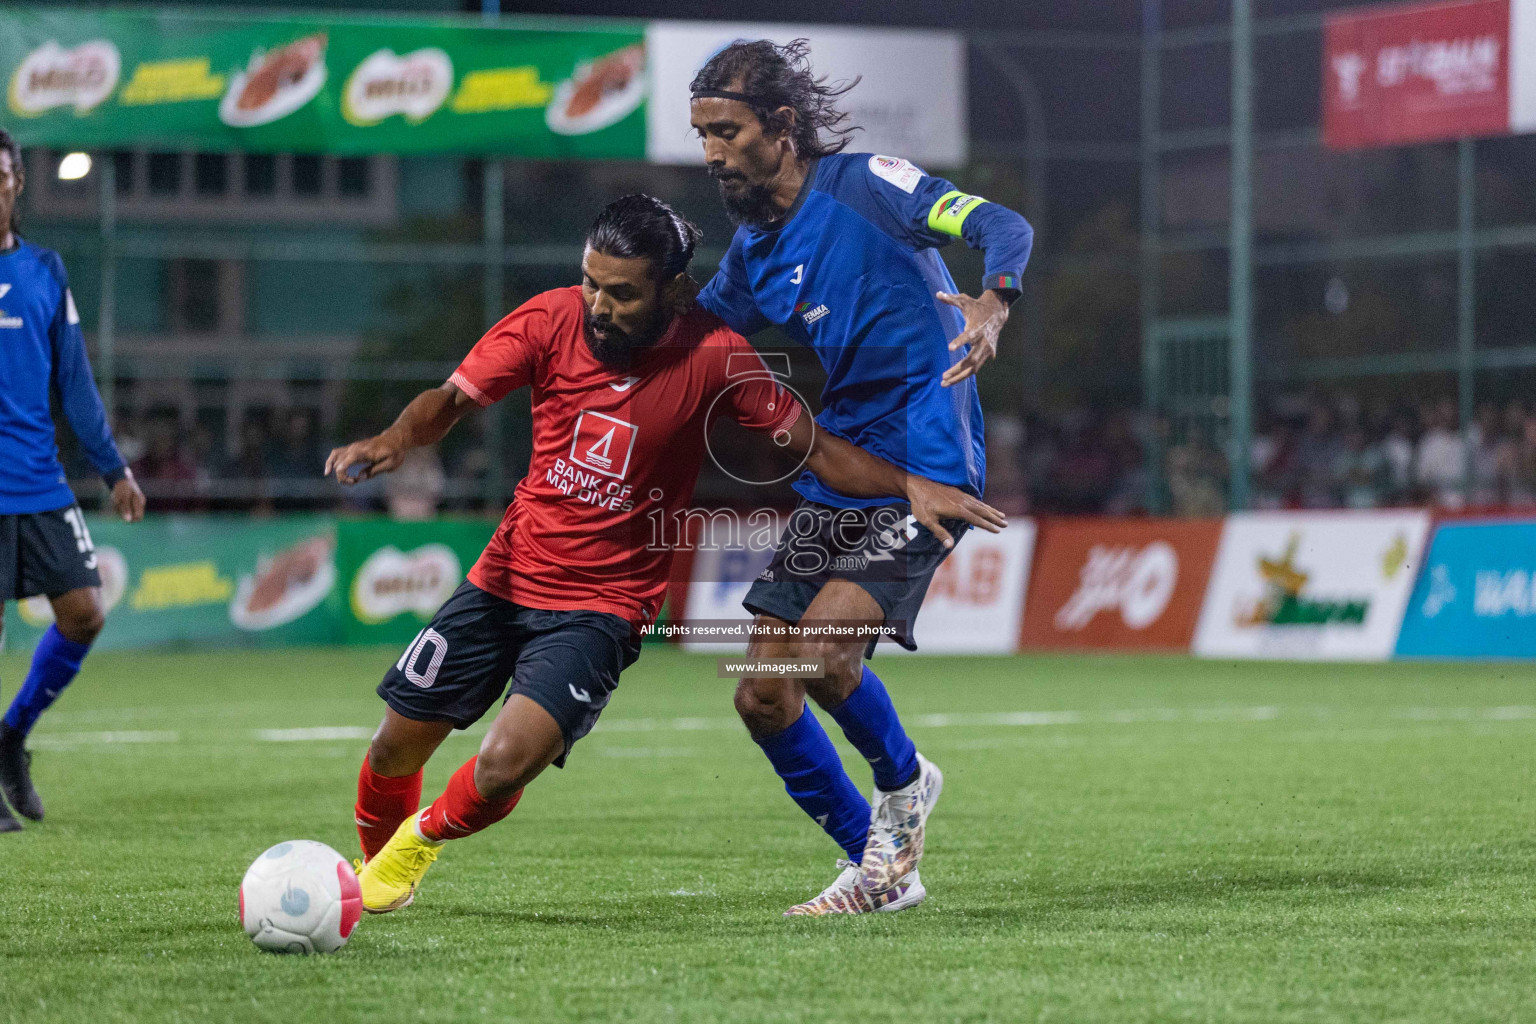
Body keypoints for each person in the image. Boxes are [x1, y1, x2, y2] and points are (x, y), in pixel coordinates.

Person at [325, 195, 1005, 915]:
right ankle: (373, 876)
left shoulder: (715, 355)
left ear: (670, 290)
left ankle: (412, 847)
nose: (598, 304)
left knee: (502, 764)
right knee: (393, 748)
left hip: (600, 610)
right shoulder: (548, 318)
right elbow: (451, 400)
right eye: (591, 282)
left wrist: (909, 485)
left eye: (621, 292)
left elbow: (813, 448)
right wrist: (398, 437)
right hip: (502, 580)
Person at [687, 40, 1034, 913]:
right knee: (762, 694)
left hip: (928, 463)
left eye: (727, 131)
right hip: (846, 471)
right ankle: (882, 868)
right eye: (702, 135)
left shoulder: (868, 184)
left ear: (784, 125)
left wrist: (994, 301)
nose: (712, 153)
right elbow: (689, 340)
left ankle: (904, 786)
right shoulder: (753, 249)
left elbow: (1003, 225)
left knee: (823, 652)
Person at [0, 128, 146, 832]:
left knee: (84, 613)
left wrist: (113, 468)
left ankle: (10, 735)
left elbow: (75, 383)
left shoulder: (45, 271)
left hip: (40, 482)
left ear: (16, 183)